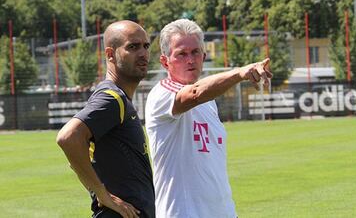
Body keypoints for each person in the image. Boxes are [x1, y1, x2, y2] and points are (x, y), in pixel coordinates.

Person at [145, 19, 272, 217]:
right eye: (181, 54)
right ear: (165, 61)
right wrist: (239, 73)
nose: (190, 60)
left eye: (195, 52)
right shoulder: (162, 94)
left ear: (203, 56)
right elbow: (194, 93)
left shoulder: (208, 102)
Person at [56, 20, 155, 218]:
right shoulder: (112, 98)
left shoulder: (119, 99)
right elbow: (68, 137)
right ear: (110, 54)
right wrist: (103, 195)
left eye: (146, 46)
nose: (143, 53)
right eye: (133, 47)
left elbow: (80, 158)